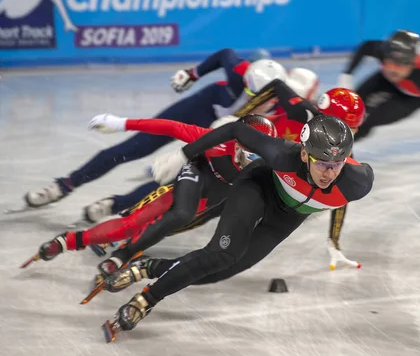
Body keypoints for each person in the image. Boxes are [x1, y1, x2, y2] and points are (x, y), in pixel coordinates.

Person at [100, 113, 374, 341]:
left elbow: (342, 199)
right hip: (259, 187)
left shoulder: (358, 181)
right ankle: (146, 300)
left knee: (222, 271)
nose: (330, 173)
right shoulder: (282, 155)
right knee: (222, 253)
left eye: (337, 164)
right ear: (304, 154)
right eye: (323, 164)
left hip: (287, 216)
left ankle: (148, 267)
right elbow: (235, 129)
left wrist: (333, 240)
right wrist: (183, 154)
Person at [22, 50, 287, 221]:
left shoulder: (286, 106)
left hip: (221, 132)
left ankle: (114, 205)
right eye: (252, 95)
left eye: (264, 99)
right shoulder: (238, 71)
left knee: (175, 178)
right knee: (132, 148)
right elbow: (224, 54)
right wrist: (192, 74)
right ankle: (64, 185)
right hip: (198, 109)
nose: (257, 102)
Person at [29, 115, 277, 279]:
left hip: (212, 198)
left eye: (259, 153)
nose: (252, 159)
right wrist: (122, 123)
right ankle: (79, 244)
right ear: (235, 142)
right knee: (156, 218)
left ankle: (108, 249)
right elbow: (169, 127)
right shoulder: (216, 143)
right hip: (195, 175)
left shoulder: (271, 162)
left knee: (164, 224)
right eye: (248, 152)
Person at [338, 30, 420, 175]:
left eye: (400, 65)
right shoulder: (384, 54)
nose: (393, 68)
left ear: (412, 64)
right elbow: (366, 46)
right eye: (389, 62)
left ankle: (337, 149)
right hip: (386, 80)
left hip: (414, 95)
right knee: (351, 105)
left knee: (371, 120)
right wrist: (346, 75)